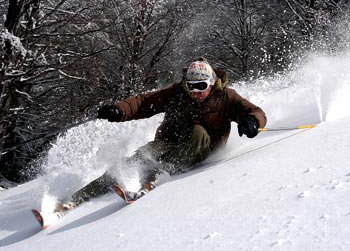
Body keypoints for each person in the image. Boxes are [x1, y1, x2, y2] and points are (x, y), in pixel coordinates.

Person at [61, 57, 267, 210]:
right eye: (191, 86)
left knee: (197, 132)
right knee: (139, 158)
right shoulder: (177, 93)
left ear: (211, 84)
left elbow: (255, 112)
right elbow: (143, 103)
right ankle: (77, 198)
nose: (195, 92)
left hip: (204, 147)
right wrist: (119, 110)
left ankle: (161, 171)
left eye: (201, 87)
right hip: (170, 142)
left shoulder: (226, 98)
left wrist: (252, 122)